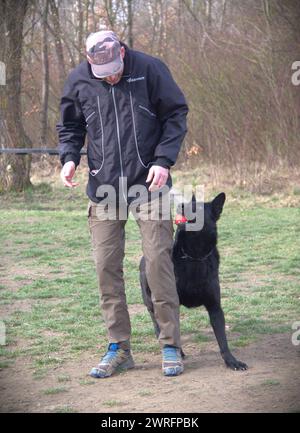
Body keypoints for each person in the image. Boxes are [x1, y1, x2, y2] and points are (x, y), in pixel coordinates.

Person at [57, 30, 188, 377]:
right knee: (105, 266)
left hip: (150, 183)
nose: (111, 76)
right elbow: (69, 126)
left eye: (115, 68)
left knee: (158, 262)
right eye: (104, 73)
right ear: (89, 62)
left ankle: (170, 343)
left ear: (122, 53)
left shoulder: (150, 69)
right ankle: (119, 347)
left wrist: (164, 160)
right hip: (103, 187)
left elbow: (175, 114)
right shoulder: (78, 80)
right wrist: (69, 158)